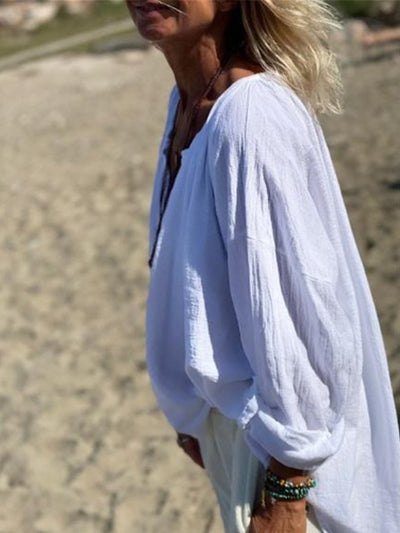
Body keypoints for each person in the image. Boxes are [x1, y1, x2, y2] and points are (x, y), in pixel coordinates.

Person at [126, 1, 400, 532]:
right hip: (241, 433)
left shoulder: (249, 116)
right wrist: (192, 415)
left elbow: (304, 313)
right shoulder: (187, 103)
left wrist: (287, 490)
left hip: (284, 461)